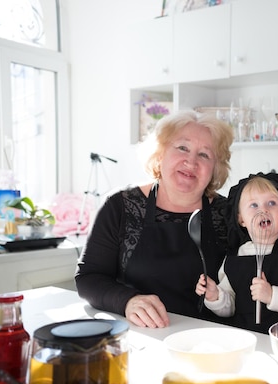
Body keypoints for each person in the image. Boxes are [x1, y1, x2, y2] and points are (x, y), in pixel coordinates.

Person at [75, 109, 234, 328]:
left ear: (215, 168)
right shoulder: (120, 206)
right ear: (160, 154)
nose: (191, 161)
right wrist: (127, 301)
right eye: (182, 148)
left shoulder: (230, 213)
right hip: (141, 336)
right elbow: (89, 278)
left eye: (204, 154)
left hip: (206, 341)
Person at [195, 172, 278, 333]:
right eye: (253, 205)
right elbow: (230, 308)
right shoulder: (233, 258)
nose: (263, 210)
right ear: (240, 218)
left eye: (271, 203)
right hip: (244, 341)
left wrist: (272, 296)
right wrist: (215, 296)